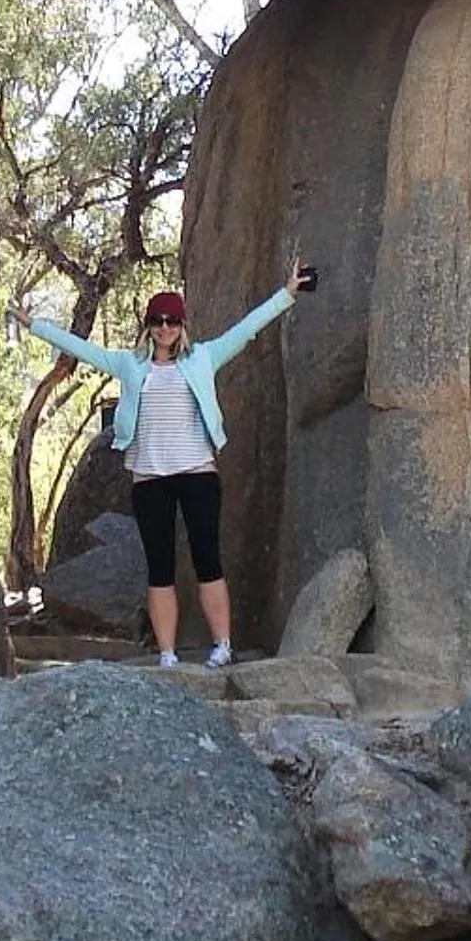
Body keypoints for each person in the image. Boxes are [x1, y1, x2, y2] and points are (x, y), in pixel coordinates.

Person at [23, 264, 311, 667]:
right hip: (149, 478)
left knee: (207, 558)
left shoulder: (203, 358)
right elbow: (83, 351)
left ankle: (223, 645)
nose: (164, 328)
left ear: (182, 324)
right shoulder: (130, 365)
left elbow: (246, 330)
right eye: (157, 321)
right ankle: (167, 653)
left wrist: (288, 293)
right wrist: (34, 324)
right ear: (148, 326)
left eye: (172, 320)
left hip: (197, 475)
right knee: (159, 568)